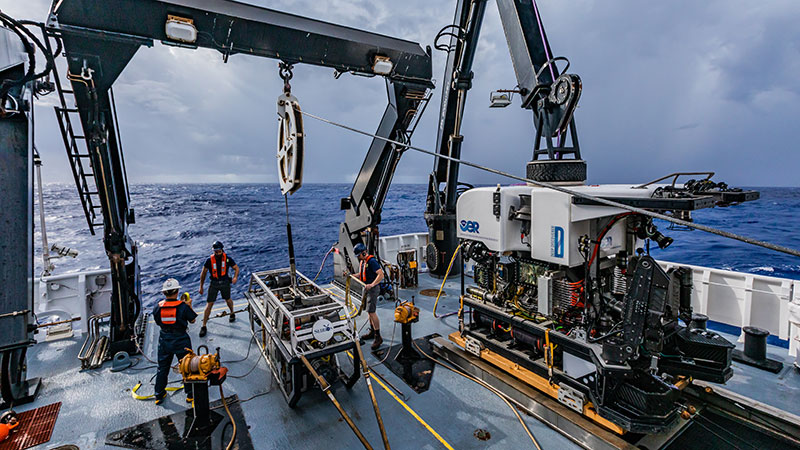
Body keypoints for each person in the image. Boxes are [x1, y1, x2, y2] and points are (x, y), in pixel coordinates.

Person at [152, 278, 198, 405]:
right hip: (181, 340)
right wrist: (189, 306)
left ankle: (159, 395)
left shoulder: (157, 307)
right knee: (187, 367)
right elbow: (193, 320)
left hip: (164, 340)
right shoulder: (183, 307)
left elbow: (157, 321)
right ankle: (190, 395)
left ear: (164, 293)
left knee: (162, 368)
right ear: (177, 291)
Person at [198, 241, 239, 337]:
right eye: (215, 252)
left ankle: (232, 313)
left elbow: (236, 268)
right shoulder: (209, 261)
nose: (217, 253)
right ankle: (204, 325)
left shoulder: (228, 259)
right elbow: (203, 273)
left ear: (222, 250)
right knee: (209, 303)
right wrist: (201, 286)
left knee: (228, 299)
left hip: (225, 283)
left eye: (219, 251)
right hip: (214, 284)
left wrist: (235, 277)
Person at [355, 243, 384, 350]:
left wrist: (372, 284)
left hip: (372, 289)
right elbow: (361, 274)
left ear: (363, 252)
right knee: (369, 311)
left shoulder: (371, 261)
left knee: (372, 311)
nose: (358, 257)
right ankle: (372, 331)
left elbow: (381, 274)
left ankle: (378, 336)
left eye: (359, 255)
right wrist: (352, 276)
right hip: (366, 288)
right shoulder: (363, 262)